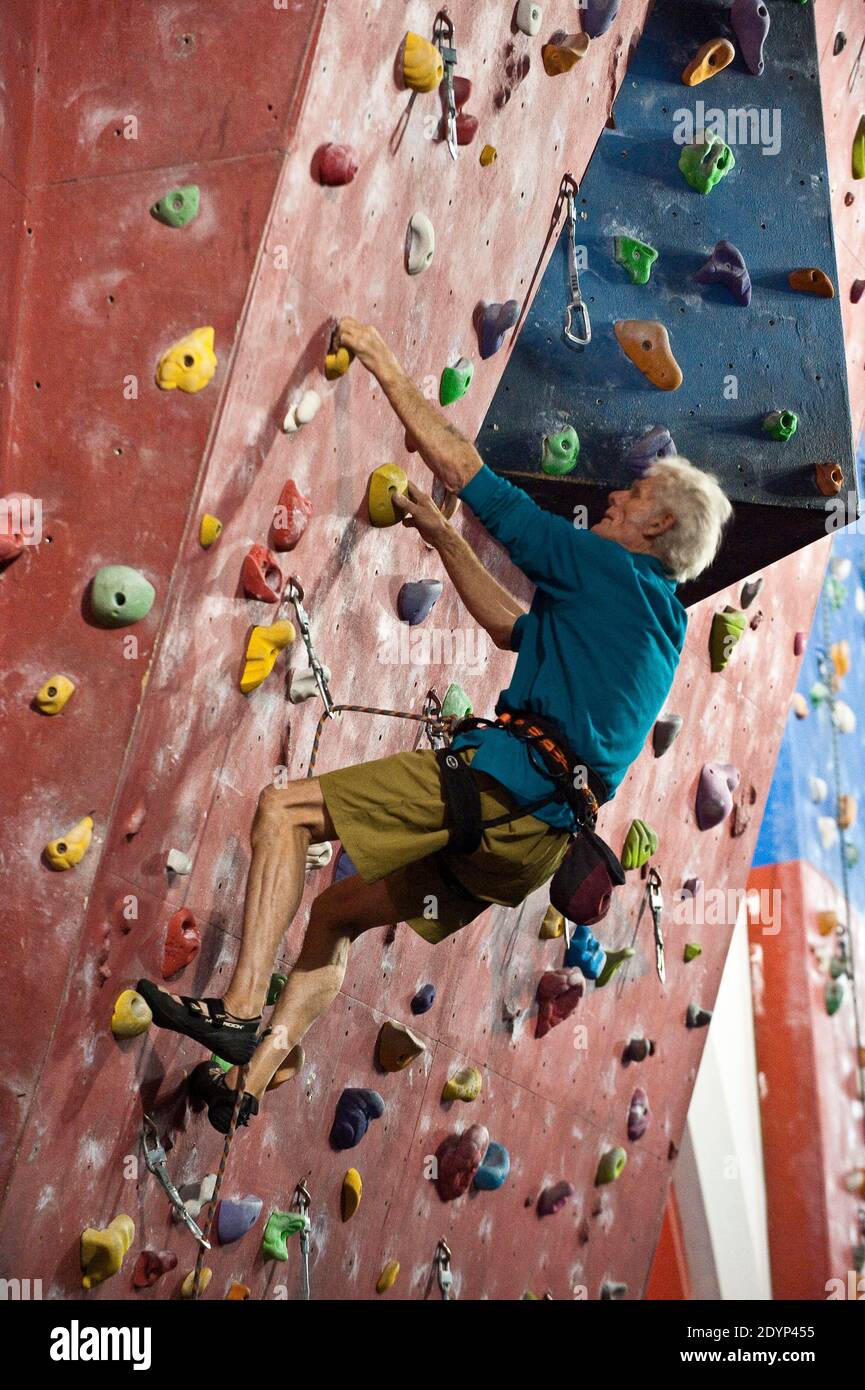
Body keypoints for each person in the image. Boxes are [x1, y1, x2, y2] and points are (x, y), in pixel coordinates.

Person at [137, 318, 732, 1131]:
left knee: (284, 812)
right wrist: (443, 534)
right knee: (334, 914)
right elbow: (511, 630)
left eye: (630, 498)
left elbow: (468, 468)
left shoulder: (603, 565)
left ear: (656, 526)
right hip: (527, 848)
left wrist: (382, 356)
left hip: (496, 785)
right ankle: (251, 1077)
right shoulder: (654, 631)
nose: (613, 500)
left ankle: (242, 1013)